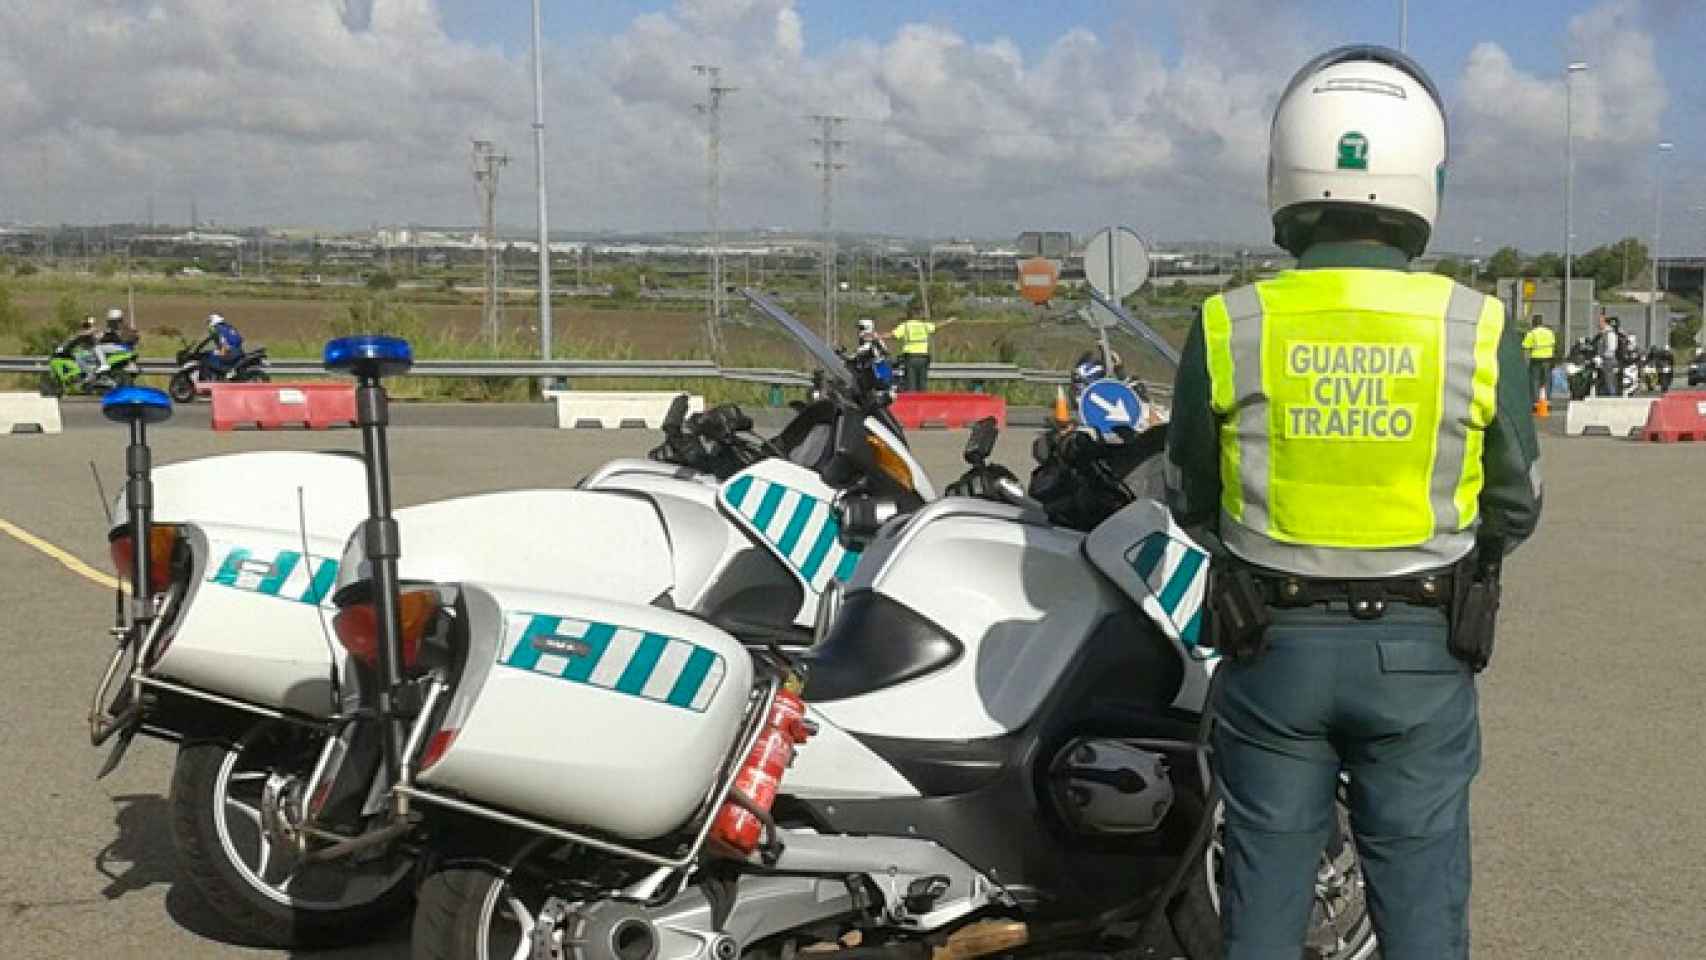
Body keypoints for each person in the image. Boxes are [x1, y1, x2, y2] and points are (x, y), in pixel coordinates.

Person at [1164, 45, 1541, 959]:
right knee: (1421, 903)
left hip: (1272, 649)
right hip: (1421, 651)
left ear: (1283, 173)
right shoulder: (1477, 325)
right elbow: (1516, 504)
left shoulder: (1230, 322)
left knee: (1261, 898)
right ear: (1426, 180)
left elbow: (1189, 494)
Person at [890, 312, 954, 392]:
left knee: (911, 383)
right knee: (922, 383)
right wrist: (948, 321)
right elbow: (936, 326)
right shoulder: (924, 325)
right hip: (923, 357)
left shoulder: (905, 326)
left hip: (911, 357)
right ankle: (922, 401)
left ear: (908, 317)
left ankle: (912, 402)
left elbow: (893, 335)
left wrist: (877, 336)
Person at [1520, 314, 1555, 405]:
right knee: (1547, 379)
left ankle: (1536, 401)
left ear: (1533, 323)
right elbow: (1553, 344)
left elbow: (1525, 346)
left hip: (1536, 359)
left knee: (1535, 380)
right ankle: (1547, 400)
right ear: (1542, 322)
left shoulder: (1532, 333)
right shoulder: (1549, 332)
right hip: (1548, 359)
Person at [1594, 313, 1620, 396]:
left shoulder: (1610, 333)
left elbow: (1612, 348)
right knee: (1604, 382)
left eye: (1600, 321)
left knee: (1609, 381)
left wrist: (1602, 357)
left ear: (1605, 323)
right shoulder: (1602, 334)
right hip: (1603, 361)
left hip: (1608, 361)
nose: (1598, 323)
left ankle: (1612, 398)